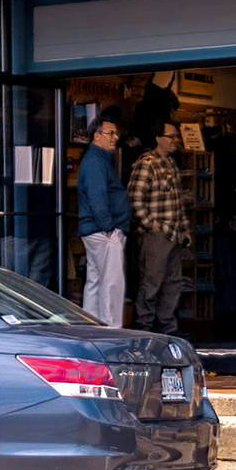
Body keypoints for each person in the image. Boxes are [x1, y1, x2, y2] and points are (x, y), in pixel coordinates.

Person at [130, 123, 192, 335]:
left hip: (174, 234)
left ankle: (167, 327)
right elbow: (136, 200)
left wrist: (184, 230)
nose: (175, 140)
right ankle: (144, 326)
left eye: (176, 137)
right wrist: (152, 226)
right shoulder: (147, 164)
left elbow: (178, 203)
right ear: (158, 138)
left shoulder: (172, 164)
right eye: (171, 136)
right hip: (156, 235)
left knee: (173, 283)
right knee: (151, 283)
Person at [76, 114, 130, 327]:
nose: (114, 138)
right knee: (111, 283)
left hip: (96, 229)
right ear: (96, 136)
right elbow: (98, 196)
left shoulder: (95, 159)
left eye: (116, 133)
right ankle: (111, 329)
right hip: (103, 230)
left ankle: (92, 327)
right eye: (110, 133)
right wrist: (109, 227)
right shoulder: (96, 160)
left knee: (96, 281)